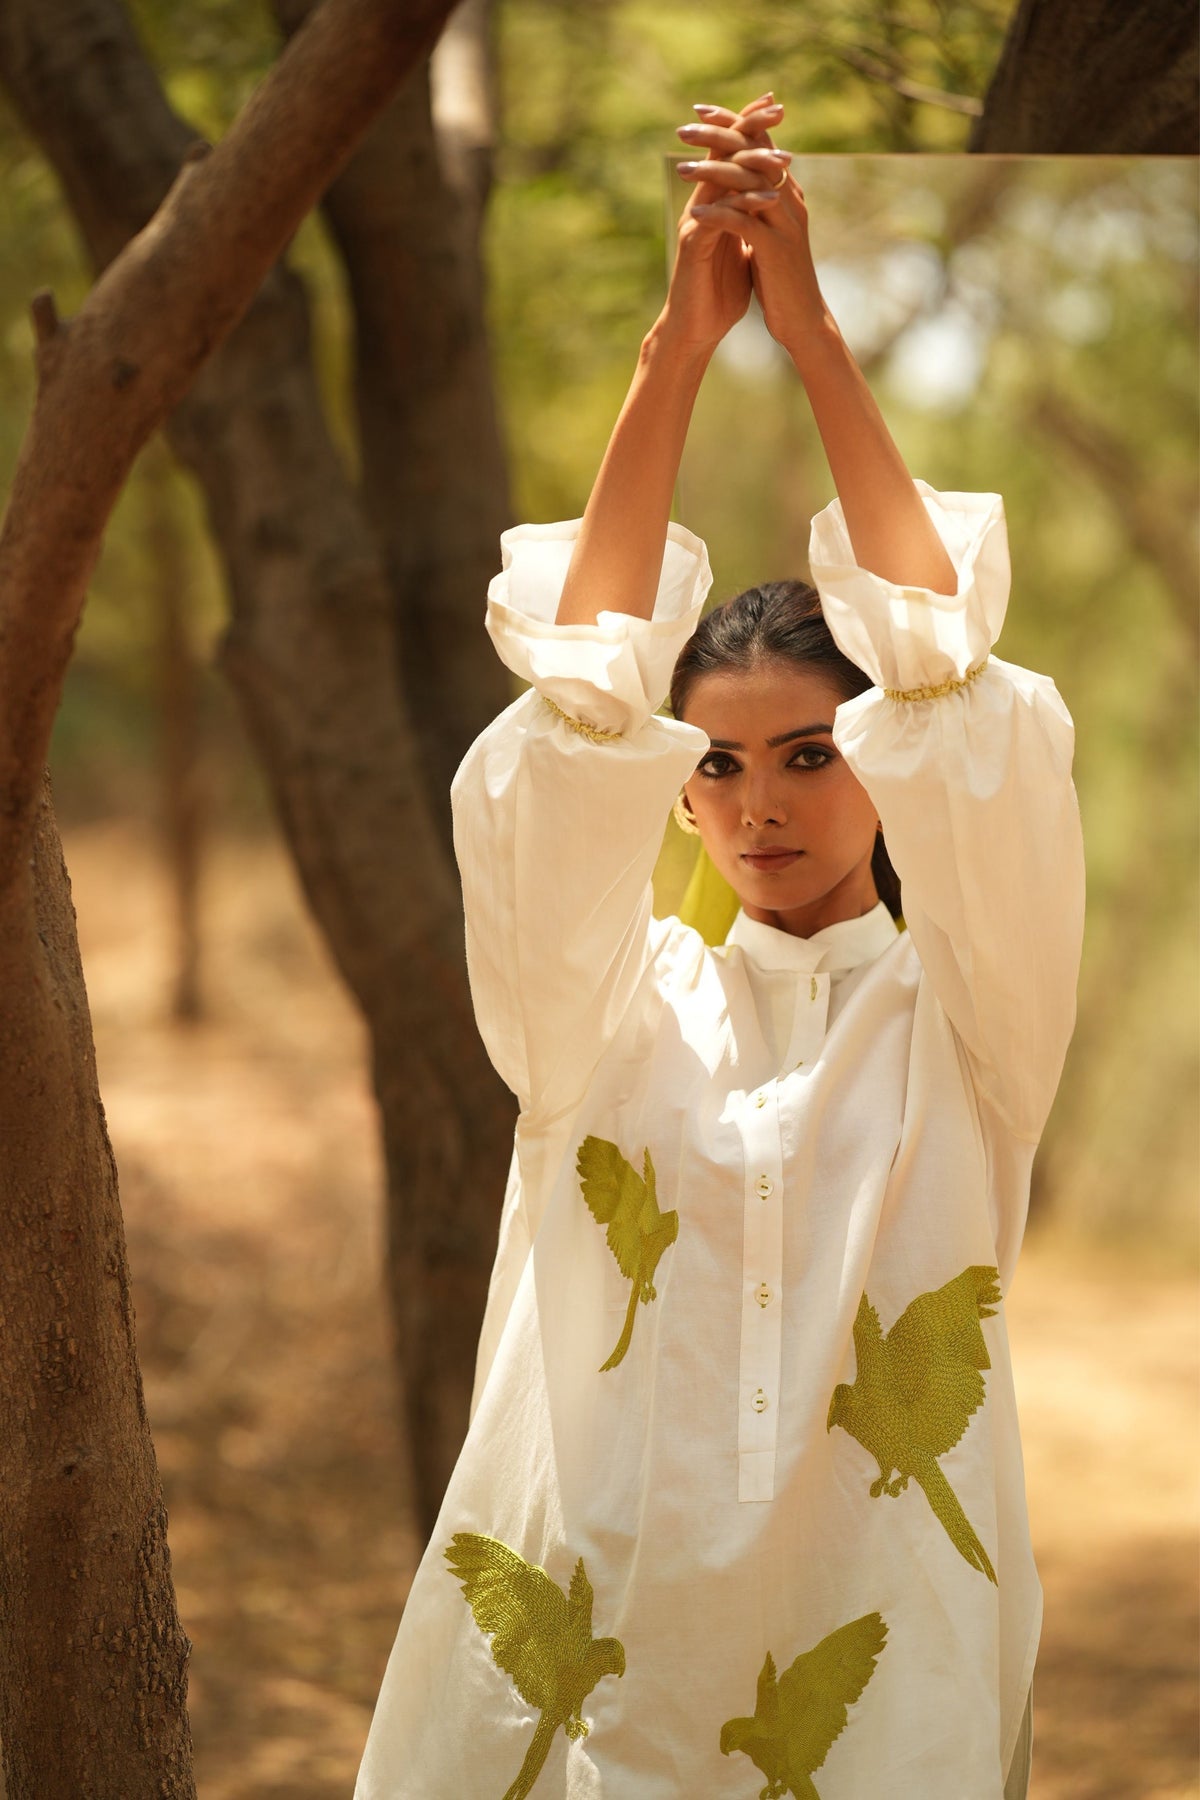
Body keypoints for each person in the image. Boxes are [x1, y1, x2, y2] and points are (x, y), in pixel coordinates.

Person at [354, 93, 1084, 1800]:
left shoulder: (972, 1027)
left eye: (814, 755)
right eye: (719, 767)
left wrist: (811, 335)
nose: (762, 804)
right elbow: (567, 718)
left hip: (879, 1662)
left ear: (885, 769)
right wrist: (669, 360)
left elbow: (963, 700)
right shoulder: (599, 1013)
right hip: (591, 1654)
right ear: (671, 796)